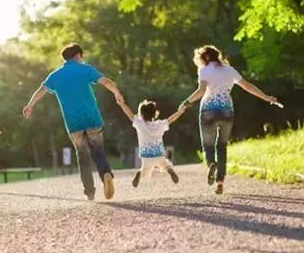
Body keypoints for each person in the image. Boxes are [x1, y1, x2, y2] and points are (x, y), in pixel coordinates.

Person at [23, 43, 124, 201]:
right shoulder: (85, 69)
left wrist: (30, 105)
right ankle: (105, 174)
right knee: (98, 151)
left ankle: (90, 192)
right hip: (92, 118)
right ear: (78, 55)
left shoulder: (55, 75)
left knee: (82, 156)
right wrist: (117, 94)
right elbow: (106, 82)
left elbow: (41, 89)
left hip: (73, 123)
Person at [179, 45, 277, 194]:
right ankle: (220, 182)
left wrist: (186, 102)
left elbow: (201, 90)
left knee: (208, 145)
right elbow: (247, 86)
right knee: (222, 146)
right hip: (226, 110)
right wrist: (266, 97)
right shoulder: (229, 70)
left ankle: (211, 163)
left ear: (205, 57)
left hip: (208, 110)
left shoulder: (204, 70)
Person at [117, 99, 186, 187]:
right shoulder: (159, 124)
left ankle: (139, 173)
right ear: (154, 114)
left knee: (145, 170)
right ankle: (170, 171)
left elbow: (129, 114)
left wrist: (122, 104)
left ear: (141, 114)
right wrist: (180, 111)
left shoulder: (140, 124)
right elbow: (170, 119)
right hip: (159, 154)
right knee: (165, 165)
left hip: (146, 155)